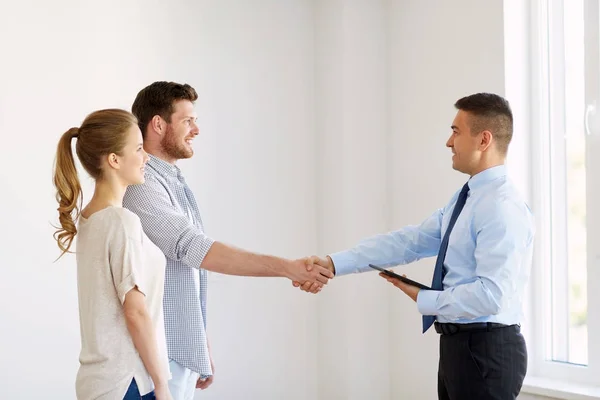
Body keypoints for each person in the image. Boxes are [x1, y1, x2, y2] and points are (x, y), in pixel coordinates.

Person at [304, 93, 534, 399]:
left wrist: (426, 298)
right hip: (459, 347)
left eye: (455, 131)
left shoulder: (502, 207)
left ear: (484, 140)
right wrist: (335, 263)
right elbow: (410, 241)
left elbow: (491, 296)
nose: (448, 143)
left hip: (486, 351)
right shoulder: (468, 198)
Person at [122, 81, 333, 400]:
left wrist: (198, 343)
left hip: (175, 356)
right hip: (153, 362)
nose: (196, 129)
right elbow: (192, 248)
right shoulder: (143, 187)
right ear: (157, 124)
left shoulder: (171, 181)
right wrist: (288, 268)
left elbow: (184, 274)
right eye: (188, 120)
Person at [52, 109, 173, 399]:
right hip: (129, 382)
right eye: (139, 149)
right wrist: (162, 385)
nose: (146, 158)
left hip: (98, 383)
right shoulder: (121, 221)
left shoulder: (90, 219)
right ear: (114, 160)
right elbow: (135, 311)